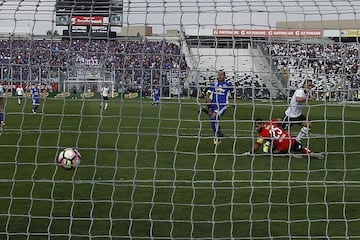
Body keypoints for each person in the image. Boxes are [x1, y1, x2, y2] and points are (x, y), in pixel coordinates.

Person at [242, 118, 323, 159]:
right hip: (290, 139)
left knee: (272, 152)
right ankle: (311, 153)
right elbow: (280, 120)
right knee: (300, 148)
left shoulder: (263, 134)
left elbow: (257, 145)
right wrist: (281, 127)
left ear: (262, 124)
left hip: (282, 146)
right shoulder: (271, 122)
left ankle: (288, 154)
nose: (256, 129)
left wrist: (250, 152)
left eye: (257, 126)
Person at [208, 70, 234, 145]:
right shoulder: (214, 84)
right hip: (213, 105)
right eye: (219, 75)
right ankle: (219, 134)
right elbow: (208, 95)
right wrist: (209, 106)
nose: (220, 76)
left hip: (222, 105)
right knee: (214, 120)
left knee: (213, 118)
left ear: (224, 76)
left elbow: (233, 93)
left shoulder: (228, 84)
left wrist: (234, 101)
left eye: (221, 75)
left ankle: (217, 135)